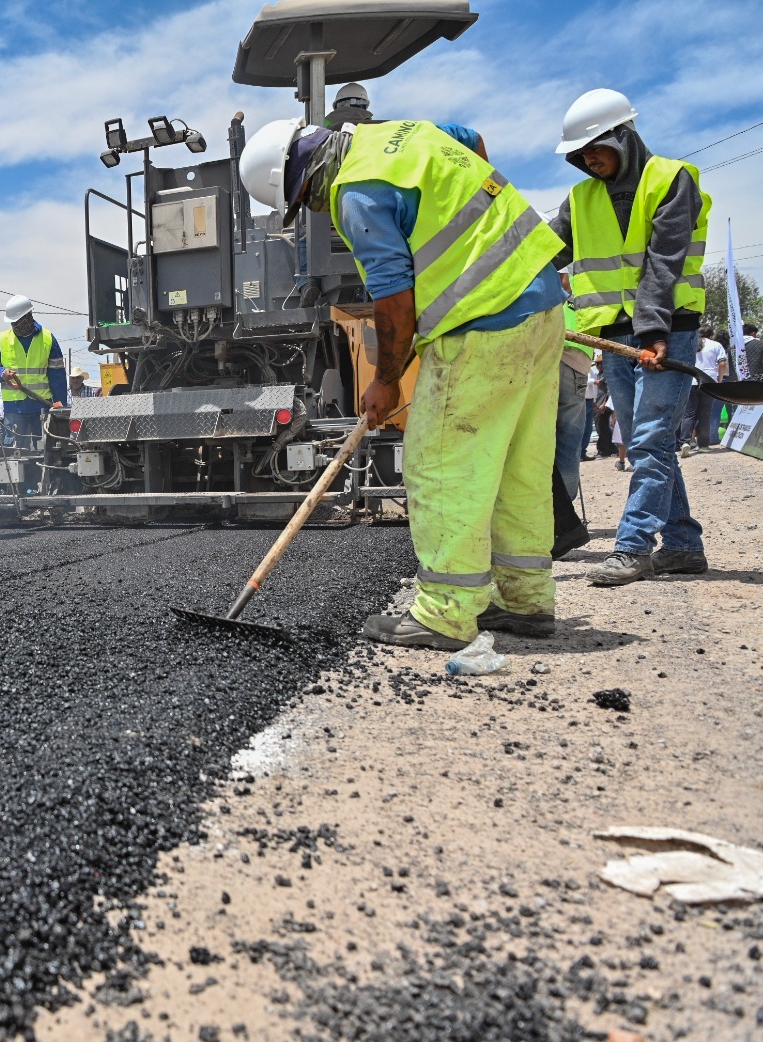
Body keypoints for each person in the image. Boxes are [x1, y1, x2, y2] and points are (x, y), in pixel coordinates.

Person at [245, 117, 565, 650]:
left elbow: (395, 299)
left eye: (306, 200)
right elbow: (473, 140)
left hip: (480, 324)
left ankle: (444, 612)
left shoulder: (355, 193)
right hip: (542, 303)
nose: (316, 211)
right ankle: (525, 600)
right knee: (518, 464)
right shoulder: (405, 134)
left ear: (306, 175)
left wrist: (387, 380)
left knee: (441, 465)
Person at [551, 88, 711, 585]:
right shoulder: (580, 198)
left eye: (597, 146)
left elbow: (665, 262)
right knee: (653, 444)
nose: (588, 158)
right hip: (614, 339)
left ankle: (634, 546)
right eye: (580, 152)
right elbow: (545, 249)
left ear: (625, 137)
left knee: (648, 440)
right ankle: (683, 545)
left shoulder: (670, 179)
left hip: (665, 331)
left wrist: (655, 329)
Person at [0, 295, 67, 453]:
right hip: (14, 409)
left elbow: (57, 374)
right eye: (12, 321)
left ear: (28, 316)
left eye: (17, 320)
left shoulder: (47, 339)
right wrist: (1, 373)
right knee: (16, 455)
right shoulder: (2, 340)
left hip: (42, 408)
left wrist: (60, 403)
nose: (14, 325)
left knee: (47, 451)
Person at [554, 273, 594, 558]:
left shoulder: (555, 294)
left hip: (556, 360)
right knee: (568, 446)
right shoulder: (590, 291)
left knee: (546, 444)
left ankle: (561, 523)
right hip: (579, 366)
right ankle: (564, 521)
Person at [582, 355, 602, 460]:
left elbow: (594, 388)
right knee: (582, 427)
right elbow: (582, 381)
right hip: (583, 400)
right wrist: (593, 381)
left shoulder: (592, 371)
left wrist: (594, 401)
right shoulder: (581, 367)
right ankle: (579, 453)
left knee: (588, 429)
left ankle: (583, 452)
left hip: (590, 401)